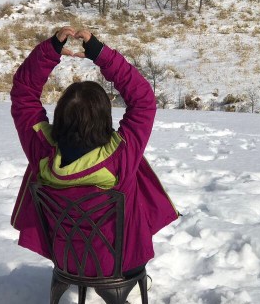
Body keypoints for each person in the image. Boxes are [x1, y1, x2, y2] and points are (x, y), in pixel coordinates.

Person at [10, 26, 178, 277]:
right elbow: (143, 100)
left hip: (66, 261)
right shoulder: (120, 156)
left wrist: (48, 51)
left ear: (61, 116)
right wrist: (101, 54)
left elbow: (23, 95)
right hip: (121, 264)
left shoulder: (42, 151)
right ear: (104, 118)